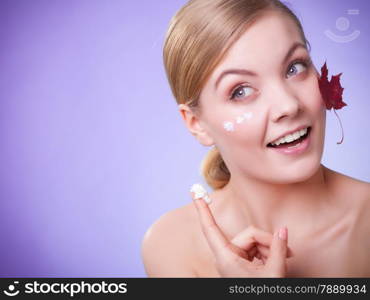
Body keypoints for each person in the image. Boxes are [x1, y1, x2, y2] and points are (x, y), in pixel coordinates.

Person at [141, 0, 370, 277]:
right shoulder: (170, 246)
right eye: (240, 91)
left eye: (295, 68)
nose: (288, 105)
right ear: (197, 124)